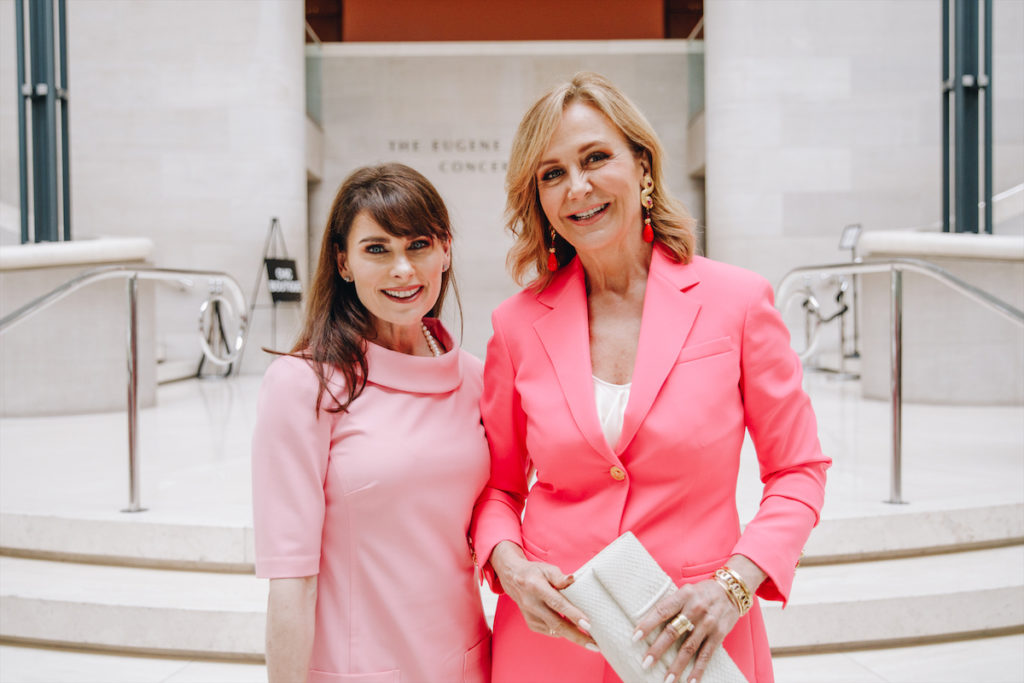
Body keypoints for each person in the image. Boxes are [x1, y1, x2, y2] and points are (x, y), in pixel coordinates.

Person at [470, 72, 830, 683]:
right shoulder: (515, 326)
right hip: (551, 642)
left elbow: (798, 472)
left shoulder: (738, 303)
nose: (577, 187)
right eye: (551, 173)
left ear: (642, 165)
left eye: (595, 158)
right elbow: (499, 490)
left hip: (696, 636)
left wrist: (733, 587)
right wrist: (510, 567)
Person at [252, 163, 491, 683]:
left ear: (445, 249)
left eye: (419, 244)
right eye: (377, 249)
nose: (403, 269)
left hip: (468, 666)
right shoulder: (302, 386)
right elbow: (292, 580)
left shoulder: (477, 379)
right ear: (344, 263)